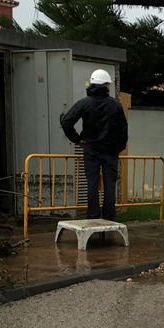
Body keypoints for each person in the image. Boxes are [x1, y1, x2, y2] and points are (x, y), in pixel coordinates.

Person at [60, 68, 128, 222]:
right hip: (111, 150)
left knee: (92, 182)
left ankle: (93, 215)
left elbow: (67, 122)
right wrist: (119, 147)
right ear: (105, 85)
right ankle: (109, 216)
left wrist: (77, 139)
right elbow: (123, 129)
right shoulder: (115, 105)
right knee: (110, 183)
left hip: (91, 149)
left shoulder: (84, 103)